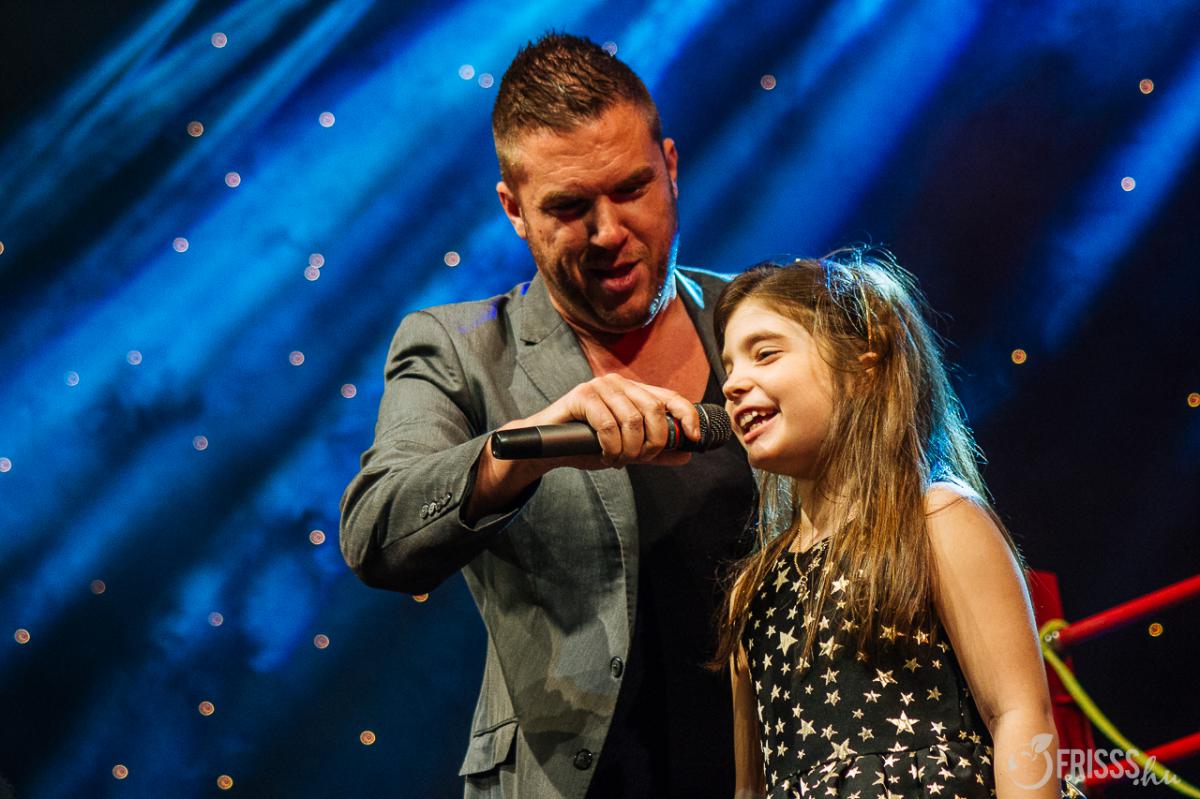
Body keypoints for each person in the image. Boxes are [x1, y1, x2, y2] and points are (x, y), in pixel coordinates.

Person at [339, 33, 755, 797]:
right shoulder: (459, 348)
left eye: (631, 188)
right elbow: (376, 531)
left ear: (671, 166)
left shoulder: (771, 318)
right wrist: (523, 451)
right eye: (568, 206)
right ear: (514, 210)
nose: (608, 231)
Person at [713, 250, 1085, 799]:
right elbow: (752, 789)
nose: (733, 384)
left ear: (862, 367)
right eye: (729, 367)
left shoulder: (935, 519)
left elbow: (1019, 715)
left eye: (764, 354)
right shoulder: (753, 590)